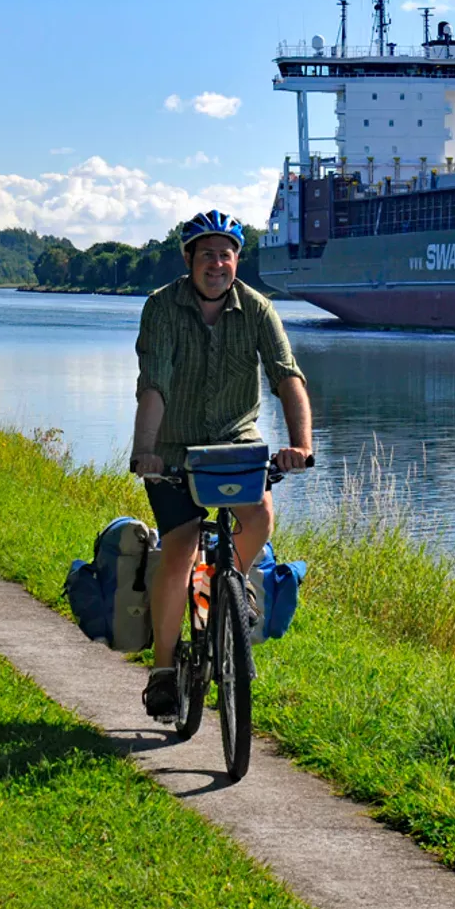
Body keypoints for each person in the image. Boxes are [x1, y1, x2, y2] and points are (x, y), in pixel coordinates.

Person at [131, 209, 313, 719]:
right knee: (181, 547)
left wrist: (301, 443)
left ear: (237, 260)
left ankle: (223, 590)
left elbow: (287, 377)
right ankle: (165, 672)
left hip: (235, 443)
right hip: (175, 447)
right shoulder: (162, 308)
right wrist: (146, 449)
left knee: (260, 518)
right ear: (189, 259)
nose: (218, 263)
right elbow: (155, 385)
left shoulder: (257, 309)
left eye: (227, 253)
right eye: (207, 253)